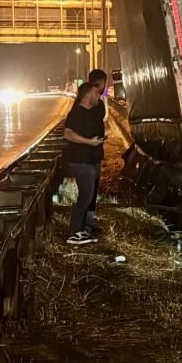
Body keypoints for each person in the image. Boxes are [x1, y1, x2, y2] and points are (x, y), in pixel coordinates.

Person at [63, 80, 106, 245]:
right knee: (85, 197)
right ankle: (74, 232)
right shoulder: (77, 113)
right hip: (81, 161)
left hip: (91, 160)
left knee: (87, 197)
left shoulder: (92, 112)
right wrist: (90, 142)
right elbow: (68, 134)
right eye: (96, 93)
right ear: (88, 95)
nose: (98, 96)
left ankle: (80, 230)